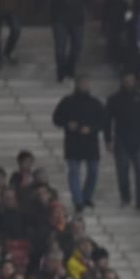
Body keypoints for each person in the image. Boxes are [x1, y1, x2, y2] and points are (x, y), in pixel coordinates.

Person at [52, 77, 107, 214]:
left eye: (86, 83)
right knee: (74, 172)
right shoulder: (68, 101)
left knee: (93, 171)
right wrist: (67, 124)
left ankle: (86, 196)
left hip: (91, 143)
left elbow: (103, 121)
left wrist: (91, 128)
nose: (84, 86)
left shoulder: (95, 103)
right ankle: (78, 200)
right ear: (76, 85)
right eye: (81, 83)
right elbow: (56, 118)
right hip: (73, 143)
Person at [105, 72, 140, 211]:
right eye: (126, 80)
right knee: (122, 172)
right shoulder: (114, 99)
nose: (128, 83)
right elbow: (107, 121)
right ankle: (125, 197)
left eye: (131, 80)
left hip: (139, 140)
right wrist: (108, 139)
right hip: (121, 140)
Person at [50, 0, 88, 85]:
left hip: (77, 17)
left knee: (77, 46)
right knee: (60, 47)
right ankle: (61, 72)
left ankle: (70, 69)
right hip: (59, 17)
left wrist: (87, 9)